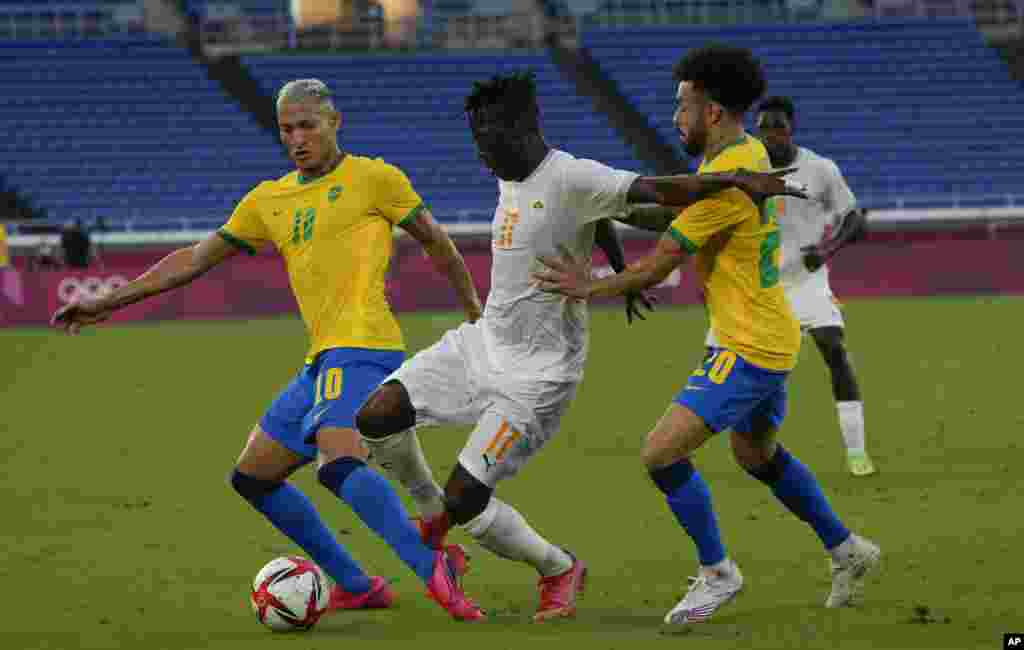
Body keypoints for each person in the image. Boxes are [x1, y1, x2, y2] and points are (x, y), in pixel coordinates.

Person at [354, 70, 804, 622]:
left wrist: (733, 181)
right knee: (376, 414)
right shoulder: (514, 172)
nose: (479, 153)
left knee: (467, 497)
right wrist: (615, 262)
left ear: (520, 129)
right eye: (473, 138)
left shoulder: (570, 175)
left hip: (537, 378)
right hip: (483, 343)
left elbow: (657, 191)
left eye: (485, 138)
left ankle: (557, 567)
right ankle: (433, 520)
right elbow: (597, 217)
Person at [51, 78, 486, 622]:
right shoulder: (268, 200)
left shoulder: (374, 178)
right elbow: (192, 258)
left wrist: (474, 311)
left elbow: (434, 240)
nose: (297, 138)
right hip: (321, 359)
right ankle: (356, 584)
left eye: (308, 125)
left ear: (335, 122)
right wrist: (109, 301)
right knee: (253, 477)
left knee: (337, 462)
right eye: (287, 129)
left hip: (365, 346)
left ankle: (432, 566)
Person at [532, 45, 881, 625]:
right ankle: (847, 549)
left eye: (682, 106)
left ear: (712, 111)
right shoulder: (740, 159)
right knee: (756, 454)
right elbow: (673, 219)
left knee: (660, 453)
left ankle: (719, 572)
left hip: (748, 346)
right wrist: (604, 208)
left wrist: (585, 284)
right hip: (768, 334)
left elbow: (659, 263)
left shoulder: (727, 179)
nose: (676, 118)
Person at [749, 95, 874, 477]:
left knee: (833, 348)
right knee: (748, 370)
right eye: (764, 128)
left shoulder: (820, 169)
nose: (771, 135)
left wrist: (827, 249)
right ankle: (753, 449)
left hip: (807, 281)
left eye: (778, 127)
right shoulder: (744, 172)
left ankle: (857, 452)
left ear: (791, 129)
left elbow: (855, 217)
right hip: (761, 285)